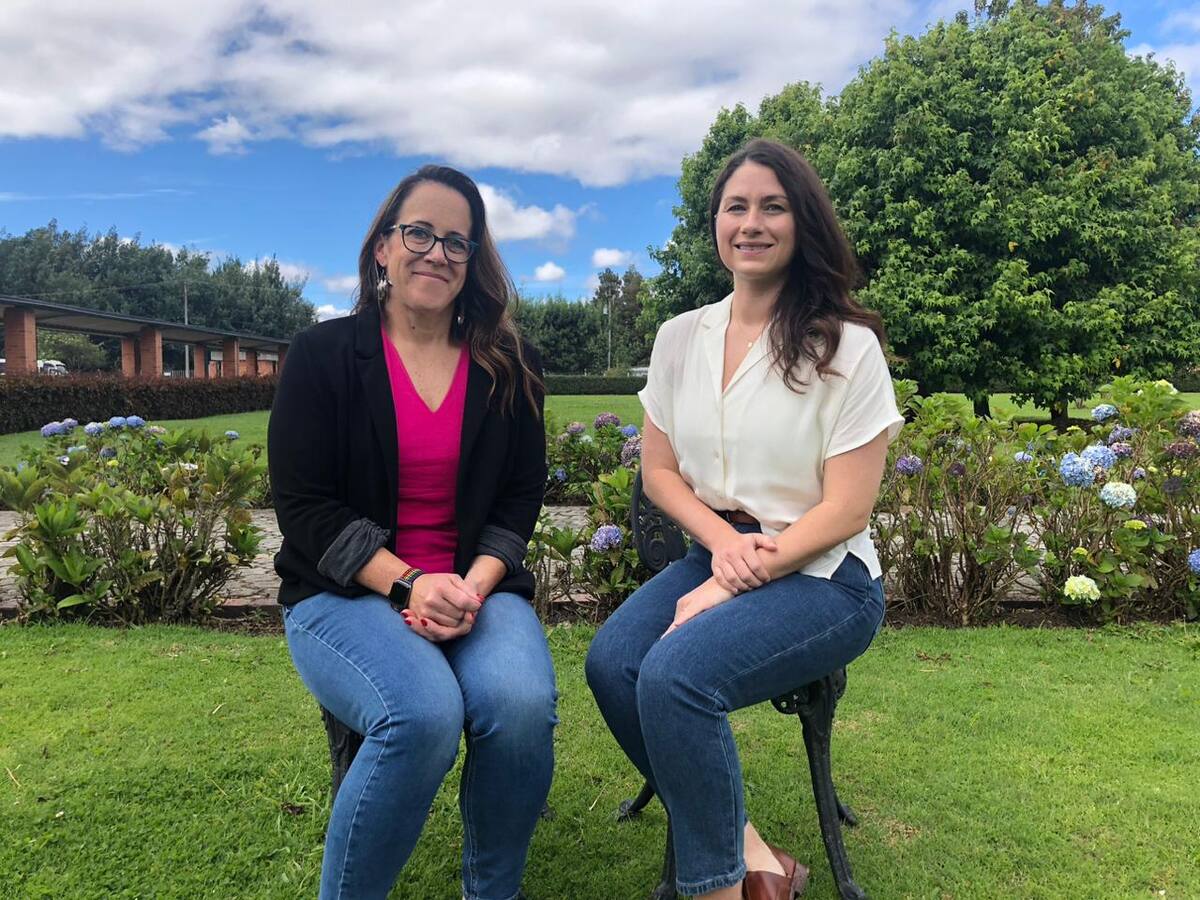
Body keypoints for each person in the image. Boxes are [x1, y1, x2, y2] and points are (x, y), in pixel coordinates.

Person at [585, 138, 903, 900]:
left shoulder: (846, 348)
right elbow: (659, 472)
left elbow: (848, 507)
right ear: (715, 223)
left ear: (802, 223)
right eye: (736, 207)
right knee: (612, 662)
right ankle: (754, 852)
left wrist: (737, 578)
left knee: (674, 675)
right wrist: (724, 552)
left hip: (826, 577)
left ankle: (717, 890)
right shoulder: (677, 338)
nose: (751, 222)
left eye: (773, 206)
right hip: (721, 554)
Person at [268, 164, 555, 900]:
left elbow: (520, 499)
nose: (437, 252)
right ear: (382, 251)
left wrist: (471, 586)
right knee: (421, 713)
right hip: (344, 594)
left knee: (521, 706)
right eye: (419, 232)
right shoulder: (323, 357)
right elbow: (305, 508)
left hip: (475, 589)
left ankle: (493, 892)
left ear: (474, 261)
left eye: (458, 241)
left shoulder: (509, 366)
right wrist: (409, 583)